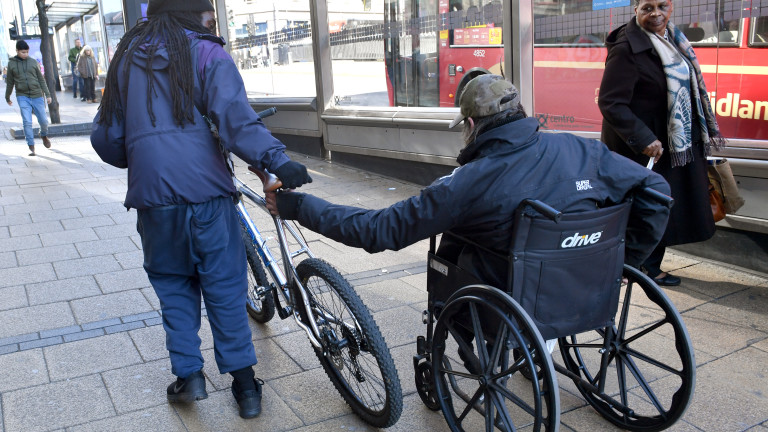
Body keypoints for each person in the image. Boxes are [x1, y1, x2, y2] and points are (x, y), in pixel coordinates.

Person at [90, 0, 312, 420]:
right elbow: (235, 118)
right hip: (207, 195)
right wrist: (277, 160)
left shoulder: (125, 58)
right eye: (207, 13)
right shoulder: (207, 52)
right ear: (193, 14)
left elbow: (107, 139)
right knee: (226, 287)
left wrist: (143, 152)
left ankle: (189, 376)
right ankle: (246, 389)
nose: (212, 20)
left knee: (173, 286)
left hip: (154, 201)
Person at [267, 74, 671, 293]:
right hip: (589, 279)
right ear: (521, 112)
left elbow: (378, 231)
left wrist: (297, 207)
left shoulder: (468, 182)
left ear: (472, 125)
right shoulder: (583, 150)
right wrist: (627, 260)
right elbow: (656, 192)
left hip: (513, 292)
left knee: (452, 259)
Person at [598, 0, 726, 286]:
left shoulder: (673, 38)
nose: (656, 14)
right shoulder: (626, 48)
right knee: (649, 207)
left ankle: (646, 264)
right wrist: (644, 139)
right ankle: (644, 267)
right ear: (635, 10)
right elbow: (611, 102)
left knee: (662, 205)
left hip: (672, 143)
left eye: (662, 6)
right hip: (647, 146)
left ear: (671, 7)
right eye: (647, 8)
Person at [5, 40, 52, 156]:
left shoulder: (33, 62)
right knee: (27, 121)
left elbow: (41, 79)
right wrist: (7, 96)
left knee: (44, 121)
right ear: (17, 51)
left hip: (37, 95)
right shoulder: (11, 64)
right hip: (22, 96)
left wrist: (48, 94)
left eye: (26, 52)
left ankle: (43, 135)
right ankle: (31, 145)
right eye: (23, 52)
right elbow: (10, 82)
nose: (25, 54)